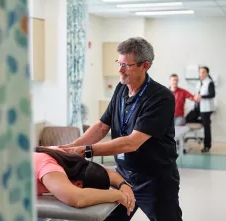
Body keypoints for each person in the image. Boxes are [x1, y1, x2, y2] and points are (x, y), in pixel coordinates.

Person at [60, 37, 182, 221]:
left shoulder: (161, 97)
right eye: (119, 62)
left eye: (126, 65)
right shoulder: (121, 88)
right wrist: (71, 147)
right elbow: (102, 126)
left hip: (156, 180)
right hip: (123, 177)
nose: (120, 70)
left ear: (145, 66)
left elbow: (132, 142)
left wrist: (85, 150)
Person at [35, 146, 135, 215]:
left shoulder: (63, 156)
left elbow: (106, 172)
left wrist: (123, 185)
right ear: (79, 184)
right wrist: (118, 195)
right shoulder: (49, 168)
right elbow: (77, 199)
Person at [194, 66, 215, 153]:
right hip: (198, 107)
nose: (201, 74)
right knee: (188, 118)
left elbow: (212, 94)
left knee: (207, 128)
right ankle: (203, 122)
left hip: (206, 108)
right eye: (200, 72)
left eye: (203, 72)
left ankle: (207, 146)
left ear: (207, 73)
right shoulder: (199, 82)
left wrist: (201, 96)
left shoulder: (210, 82)